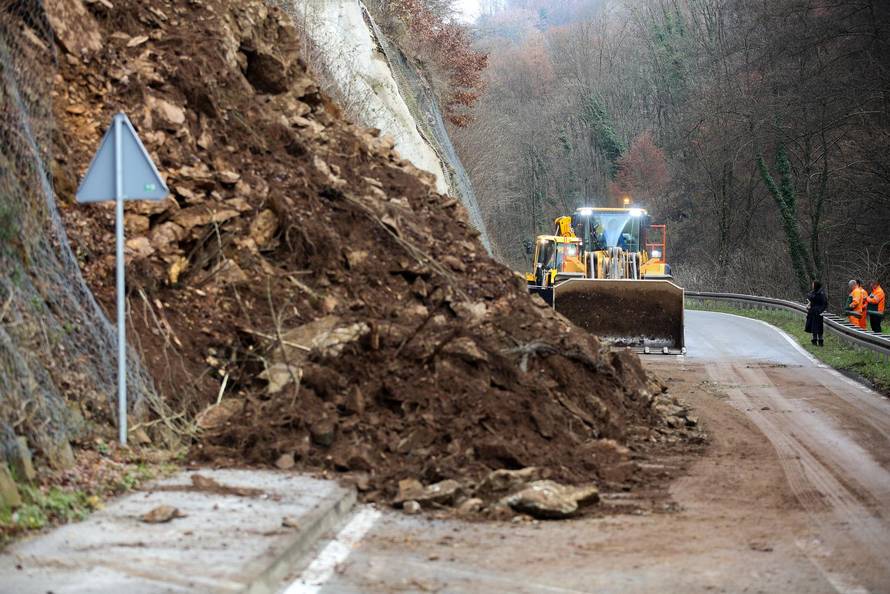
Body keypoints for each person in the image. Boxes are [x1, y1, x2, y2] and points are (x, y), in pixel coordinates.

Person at [805, 280, 828, 346]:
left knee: (819, 327)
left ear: (816, 285)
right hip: (812, 312)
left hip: (818, 313)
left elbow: (824, 303)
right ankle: (814, 340)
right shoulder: (813, 292)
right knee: (813, 327)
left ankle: (820, 341)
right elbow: (811, 301)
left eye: (813, 284)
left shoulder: (821, 293)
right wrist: (808, 306)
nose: (812, 285)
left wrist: (820, 311)